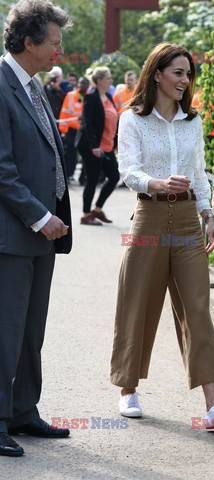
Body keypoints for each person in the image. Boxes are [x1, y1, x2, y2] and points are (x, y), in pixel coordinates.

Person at [109, 43, 214, 430]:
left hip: (186, 219)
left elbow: (199, 172)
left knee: (197, 307)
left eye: (188, 74)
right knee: (138, 302)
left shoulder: (192, 121)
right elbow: (127, 170)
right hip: (148, 214)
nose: (185, 81)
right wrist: (157, 183)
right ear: (157, 75)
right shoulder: (132, 119)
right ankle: (128, 390)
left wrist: (208, 213)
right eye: (178, 73)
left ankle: (213, 405)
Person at [0, 0, 72, 457]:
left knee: (30, 329)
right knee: (4, 330)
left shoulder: (31, 84)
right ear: (29, 42)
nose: (59, 52)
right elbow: (2, 168)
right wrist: (40, 215)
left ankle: (23, 410)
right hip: (14, 234)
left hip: (40, 238)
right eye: (55, 43)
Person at [76, 67, 119, 225]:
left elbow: (113, 121)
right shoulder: (91, 98)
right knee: (92, 180)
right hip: (91, 147)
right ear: (100, 80)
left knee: (114, 177)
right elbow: (88, 124)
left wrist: (114, 143)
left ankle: (98, 209)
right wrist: (94, 146)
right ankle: (86, 214)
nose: (111, 81)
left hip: (107, 146)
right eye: (108, 78)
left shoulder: (108, 96)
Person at [59, 76, 90, 182]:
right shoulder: (71, 95)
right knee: (70, 154)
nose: (82, 85)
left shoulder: (91, 96)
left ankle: (83, 178)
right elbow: (64, 112)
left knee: (86, 155)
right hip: (71, 130)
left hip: (84, 130)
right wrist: (63, 130)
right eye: (80, 83)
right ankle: (68, 175)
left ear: (88, 86)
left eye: (84, 84)